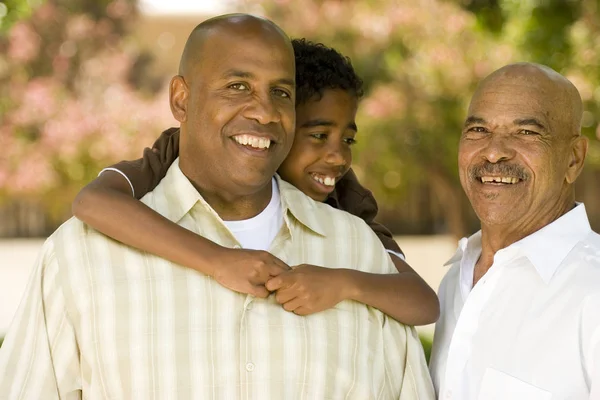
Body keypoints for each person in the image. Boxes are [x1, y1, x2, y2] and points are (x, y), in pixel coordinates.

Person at [0, 14, 434, 399]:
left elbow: (423, 309)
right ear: (181, 100)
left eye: (280, 92)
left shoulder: (356, 247)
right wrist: (217, 261)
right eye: (238, 86)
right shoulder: (81, 257)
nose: (264, 112)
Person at [69, 38, 439, 325]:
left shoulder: (345, 198)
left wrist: (344, 283)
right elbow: (92, 202)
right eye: (318, 135)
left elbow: (422, 301)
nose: (338, 157)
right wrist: (217, 261)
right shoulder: (176, 153)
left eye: (347, 140)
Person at [429, 62, 600, 399]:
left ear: (573, 160)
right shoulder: (457, 279)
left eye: (527, 133)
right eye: (478, 129)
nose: (493, 151)